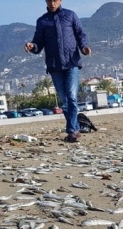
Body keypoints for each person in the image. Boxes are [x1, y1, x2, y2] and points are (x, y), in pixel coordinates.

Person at [24, 0, 91, 143]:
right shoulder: (42, 21)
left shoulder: (70, 15)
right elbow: (38, 43)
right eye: (49, 0)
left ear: (60, 0)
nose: (52, 3)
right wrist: (32, 46)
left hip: (72, 63)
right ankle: (76, 128)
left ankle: (72, 131)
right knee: (64, 101)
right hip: (54, 66)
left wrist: (84, 47)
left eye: (55, 0)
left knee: (72, 97)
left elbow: (80, 34)